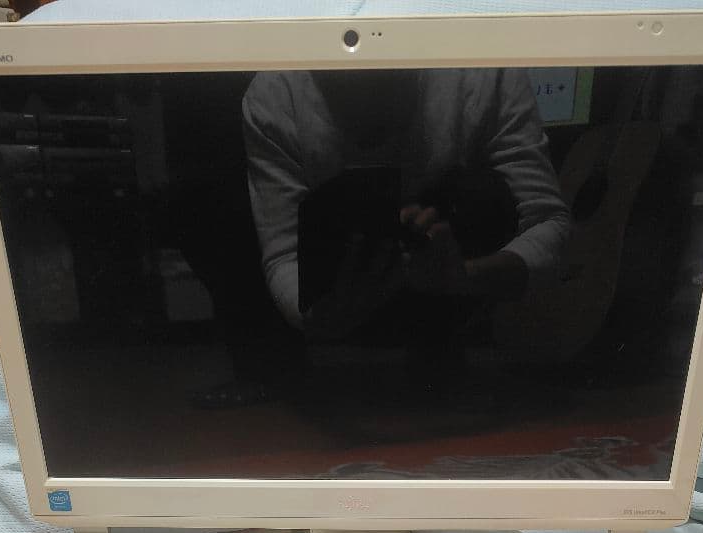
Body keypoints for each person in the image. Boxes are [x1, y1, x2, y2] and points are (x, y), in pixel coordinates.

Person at [242, 67, 570, 387]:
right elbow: (282, 254)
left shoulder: (483, 71)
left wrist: (464, 276)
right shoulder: (276, 92)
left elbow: (549, 223)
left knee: (485, 193)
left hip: (462, 304)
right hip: (346, 304)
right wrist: (321, 315)